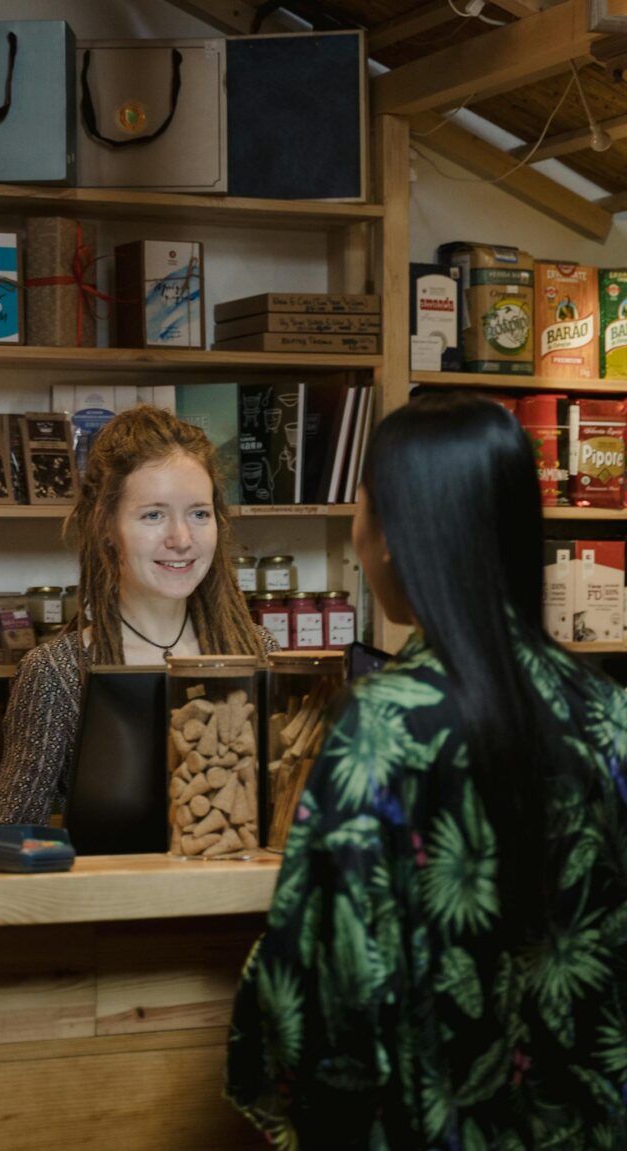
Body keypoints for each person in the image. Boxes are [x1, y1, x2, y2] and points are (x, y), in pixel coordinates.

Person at [225, 392, 627, 1150]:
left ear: (397, 537)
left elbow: (320, 981)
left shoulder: (384, 724)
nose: (356, 536)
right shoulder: (611, 714)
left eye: (364, 509)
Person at [0, 404, 277, 824]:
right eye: (153, 515)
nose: (181, 539)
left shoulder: (256, 649)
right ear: (106, 526)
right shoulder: (57, 672)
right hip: (107, 891)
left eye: (199, 513)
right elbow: (6, 833)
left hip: (237, 891)